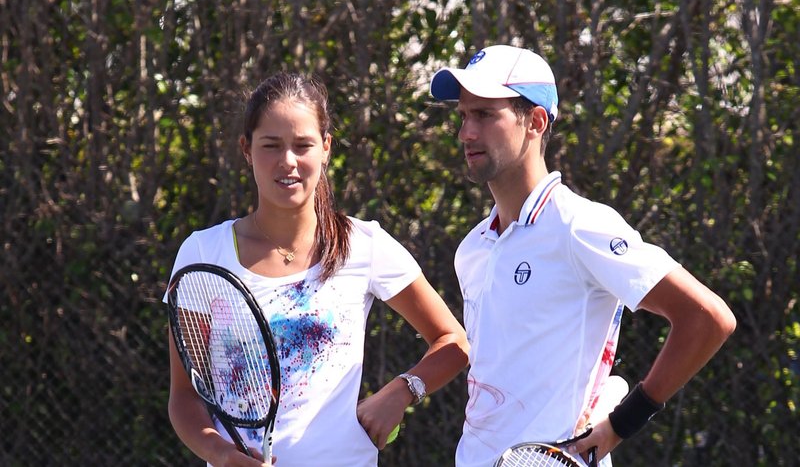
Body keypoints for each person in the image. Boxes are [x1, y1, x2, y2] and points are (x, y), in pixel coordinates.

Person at [429, 45, 737, 467]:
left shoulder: (579, 225)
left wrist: (621, 424)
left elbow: (707, 318)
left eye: (485, 115)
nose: (466, 132)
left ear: (535, 121)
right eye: (464, 115)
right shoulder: (472, 248)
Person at [165, 71, 469, 467]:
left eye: (303, 145)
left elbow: (454, 342)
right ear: (246, 149)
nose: (287, 161)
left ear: (325, 148)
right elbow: (185, 397)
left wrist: (402, 391)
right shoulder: (202, 253)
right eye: (271, 145)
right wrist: (221, 455)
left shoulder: (365, 245)